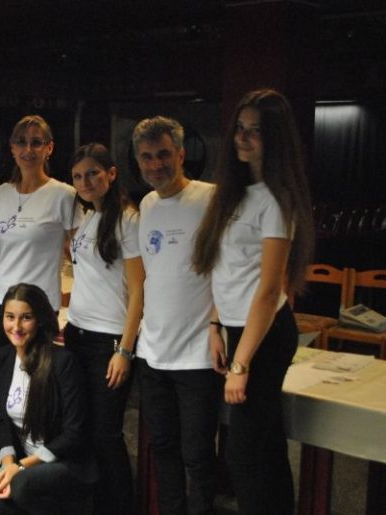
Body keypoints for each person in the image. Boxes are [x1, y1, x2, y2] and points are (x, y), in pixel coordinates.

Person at [192, 89, 314, 515]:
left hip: (265, 334)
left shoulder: (277, 200)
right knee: (265, 447)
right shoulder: (234, 193)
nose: (242, 138)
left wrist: (241, 365)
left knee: (244, 454)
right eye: (239, 129)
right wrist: (215, 324)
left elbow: (268, 290)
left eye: (255, 131)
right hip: (236, 328)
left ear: (275, 138)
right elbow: (223, 268)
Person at [133, 116, 222, 515]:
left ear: (182, 155)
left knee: (197, 455)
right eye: (147, 157)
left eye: (163, 154)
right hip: (152, 352)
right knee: (163, 446)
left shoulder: (211, 199)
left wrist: (217, 324)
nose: (156, 164)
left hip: (197, 354)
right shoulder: (147, 205)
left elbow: (228, 271)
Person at [64, 143, 143, 515]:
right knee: (81, 430)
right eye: (78, 176)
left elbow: (139, 290)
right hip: (77, 334)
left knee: (106, 434)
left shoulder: (128, 219)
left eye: (93, 173)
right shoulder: (88, 216)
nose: (85, 182)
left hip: (109, 340)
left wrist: (124, 350)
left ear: (111, 173)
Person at [0, 283, 97, 515]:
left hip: (64, 463)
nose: (16, 326)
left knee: (21, 485)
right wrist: (8, 464)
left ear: (40, 320)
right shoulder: (2, 358)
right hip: (22, 464)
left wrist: (21, 466)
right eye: (10, 317)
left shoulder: (63, 362)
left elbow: (74, 434)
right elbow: (2, 420)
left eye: (26, 318)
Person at [0, 115, 82, 352]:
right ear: (12, 148)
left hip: (39, 306)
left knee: (37, 372)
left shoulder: (64, 195)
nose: (28, 149)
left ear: (49, 148)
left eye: (36, 142)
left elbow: (81, 254)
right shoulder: (2, 192)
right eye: (21, 142)